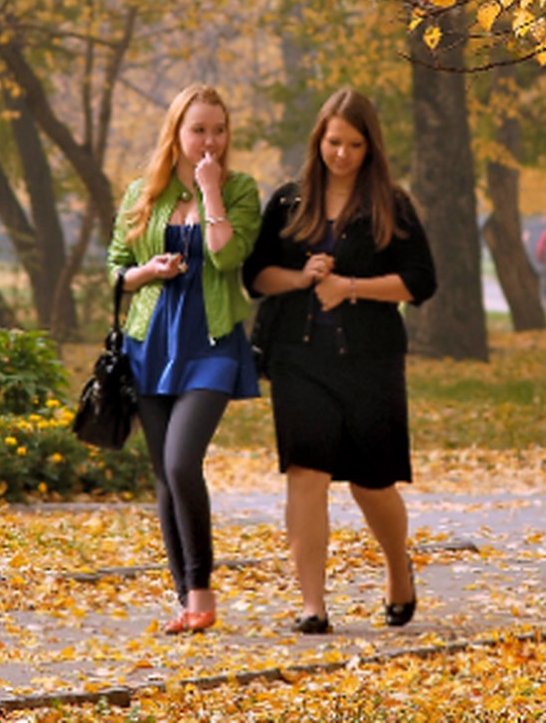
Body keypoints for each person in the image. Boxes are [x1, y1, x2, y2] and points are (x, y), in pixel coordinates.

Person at [244, 88, 437, 635]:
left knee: (371, 483)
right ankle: (313, 605)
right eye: (334, 141)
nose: (342, 154)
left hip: (370, 360)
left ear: (370, 146)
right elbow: (256, 277)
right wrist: (303, 279)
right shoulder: (287, 202)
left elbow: (421, 281)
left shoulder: (390, 207)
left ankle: (399, 572)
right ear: (318, 140)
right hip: (298, 359)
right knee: (305, 473)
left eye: (354, 144)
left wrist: (349, 286)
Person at [106, 84, 262, 636]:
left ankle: (201, 589)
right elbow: (115, 269)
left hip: (212, 345)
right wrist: (149, 271)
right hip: (150, 345)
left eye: (218, 130)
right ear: (175, 133)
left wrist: (209, 190)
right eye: (198, 130)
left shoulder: (239, 189)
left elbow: (227, 254)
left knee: (180, 462)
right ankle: (187, 598)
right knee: (164, 477)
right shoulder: (141, 194)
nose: (209, 141)